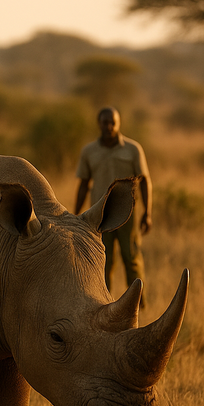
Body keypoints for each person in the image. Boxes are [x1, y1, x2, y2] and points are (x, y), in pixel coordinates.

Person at [74, 106, 153, 297]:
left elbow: (145, 181)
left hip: (127, 212)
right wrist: (75, 216)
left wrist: (147, 212)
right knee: (102, 260)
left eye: (113, 123)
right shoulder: (89, 151)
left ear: (119, 124)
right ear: (99, 124)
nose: (109, 126)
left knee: (131, 257)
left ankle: (137, 302)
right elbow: (84, 184)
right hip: (100, 214)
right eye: (105, 123)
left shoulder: (133, 149)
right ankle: (104, 303)